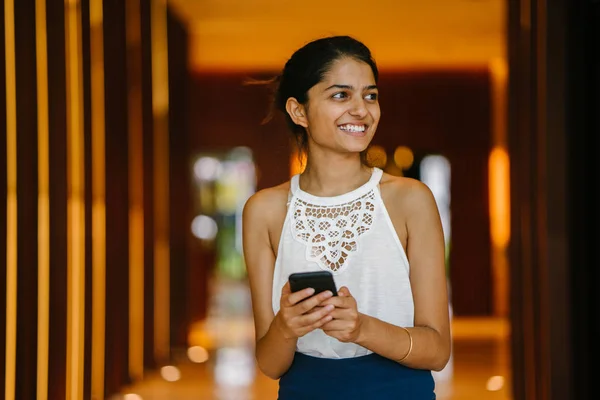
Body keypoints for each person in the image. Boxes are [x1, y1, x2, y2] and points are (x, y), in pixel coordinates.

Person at [242, 35, 451, 399]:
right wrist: (286, 327)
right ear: (299, 111)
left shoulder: (410, 200)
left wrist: (361, 329)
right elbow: (270, 363)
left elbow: (437, 350)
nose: (362, 110)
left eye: (370, 95)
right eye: (341, 95)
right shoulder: (264, 210)